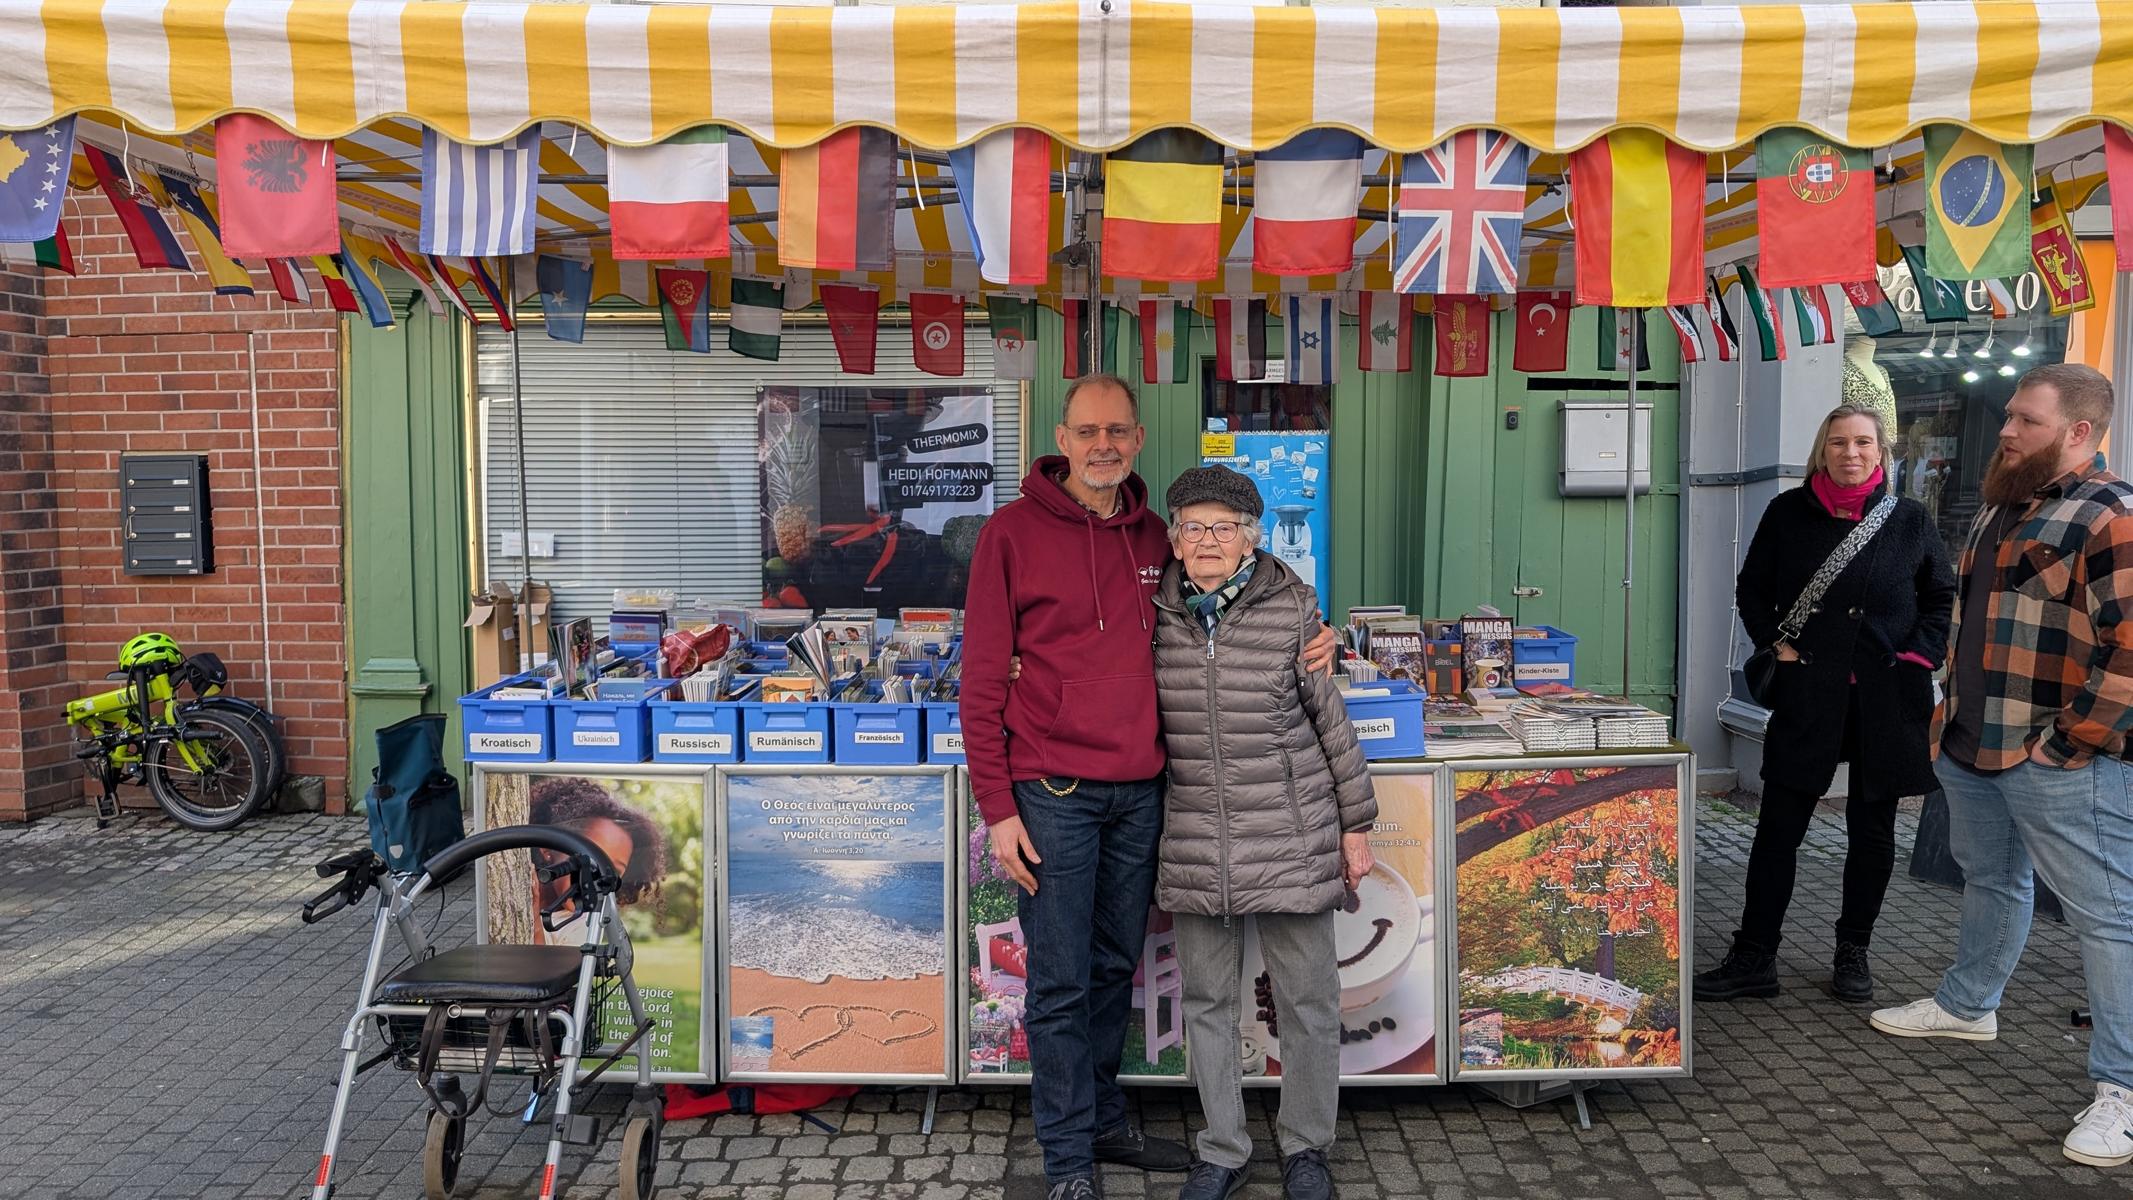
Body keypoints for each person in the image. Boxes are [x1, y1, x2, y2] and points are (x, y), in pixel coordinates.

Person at [960, 374, 1336, 1200]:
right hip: (1051, 793)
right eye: (1087, 430)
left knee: (1108, 967)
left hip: (1141, 794)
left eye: (1118, 431)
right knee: (1059, 978)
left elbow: (1236, 574)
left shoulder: (1152, 540)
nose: (1103, 445)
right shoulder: (1010, 535)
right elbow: (982, 679)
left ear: (1136, 440)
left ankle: (1098, 1120)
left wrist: (1312, 629)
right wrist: (997, 809)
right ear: (1062, 437)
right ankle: (1066, 1159)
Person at [1868, 364, 2133, 1170]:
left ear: (2078, 432)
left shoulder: (2111, 514)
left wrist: (2071, 741)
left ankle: (2121, 1089)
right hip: (1971, 742)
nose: (2005, 430)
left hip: (2057, 756)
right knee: (1991, 881)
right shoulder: (1999, 506)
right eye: (2009, 416)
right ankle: (1966, 1006)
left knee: (2107, 919)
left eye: (2023, 419)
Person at [1151, 466, 1377, 1200]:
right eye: (1193, 526)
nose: (1207, 540)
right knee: (1208, 1003)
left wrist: (1354, 823)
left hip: (1290, 828)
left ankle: (1306, 1146)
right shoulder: (1149, 611)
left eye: (1224, 527)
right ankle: (1221, 1148)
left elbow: (1331, 725)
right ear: (1175, 538)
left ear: (1250, 540)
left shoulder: (1292, 611)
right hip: (1194, 833)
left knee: (1307, 999)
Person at [1698, 404, 1954, 1004]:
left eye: (1863, 442)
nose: (1851, 453)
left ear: (1881, 451)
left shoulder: (1910, 520)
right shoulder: (1787, 513)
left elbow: (1940, 595)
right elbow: (1751, 588)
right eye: (1838, 442)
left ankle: (1853, 951)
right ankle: (1755, 956)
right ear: (1822, 450)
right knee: (1777, 829)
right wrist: (1776, 643)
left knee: (1873, 831)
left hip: (1889, 695)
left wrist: (1918, 657)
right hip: (1810, 690)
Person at [527, 776, 668, 943]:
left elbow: (542, 969)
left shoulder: (584, 925)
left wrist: (534, 920)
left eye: (613, 870)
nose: (596, 875)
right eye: (591, 858)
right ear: (548, 848)